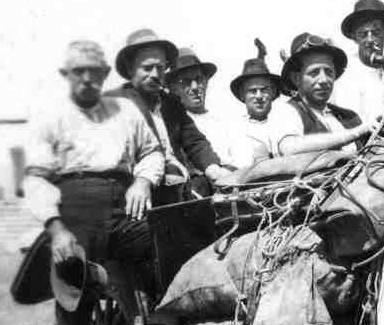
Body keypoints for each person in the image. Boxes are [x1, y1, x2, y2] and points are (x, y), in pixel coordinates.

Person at [23, 40, 164, 325]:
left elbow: (152, 152)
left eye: (95, 73)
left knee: (163, 247)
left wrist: (142, 180)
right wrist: (56, 228)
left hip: (121, 205)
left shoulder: (124, 111)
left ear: (105, 76)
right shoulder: (51, 117)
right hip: (73, 214)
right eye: (79, 72)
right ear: (67, 75)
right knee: (73, 322)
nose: (87, 79)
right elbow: (35, 179)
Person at [105, 29, 232, 201]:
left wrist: (213, 168)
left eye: (160, 68)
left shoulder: (171, 103)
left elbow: (194, 141)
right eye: (147, 68)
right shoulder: (115, 104)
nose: (155, 75)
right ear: (130, 69)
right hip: (140, 191)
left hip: (180, 185)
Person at [265, 33, 375, 156]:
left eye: (329, 72)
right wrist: (355, 133)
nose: (324, 80)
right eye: (314, 72)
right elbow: (289, 147)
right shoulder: (286, 111)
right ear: (296, 78)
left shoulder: (349, 117)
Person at [165, 46, 235, 166]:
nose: (194, 87)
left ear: (206, 82)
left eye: (199, 79)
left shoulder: (224, 119)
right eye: (185, 82)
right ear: (173, 88)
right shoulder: (174, 125)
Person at [334, 0, 384, 122]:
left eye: (376, 33)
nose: (369, 40)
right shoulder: (346, 75)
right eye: (363, 34)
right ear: (354, 38)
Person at [228, 40, 286, 167]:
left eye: (264, 90)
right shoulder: (235, 130)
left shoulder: (286, 122)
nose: (259, 96)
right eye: (252, 91)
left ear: (273, 93)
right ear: (243, 96)